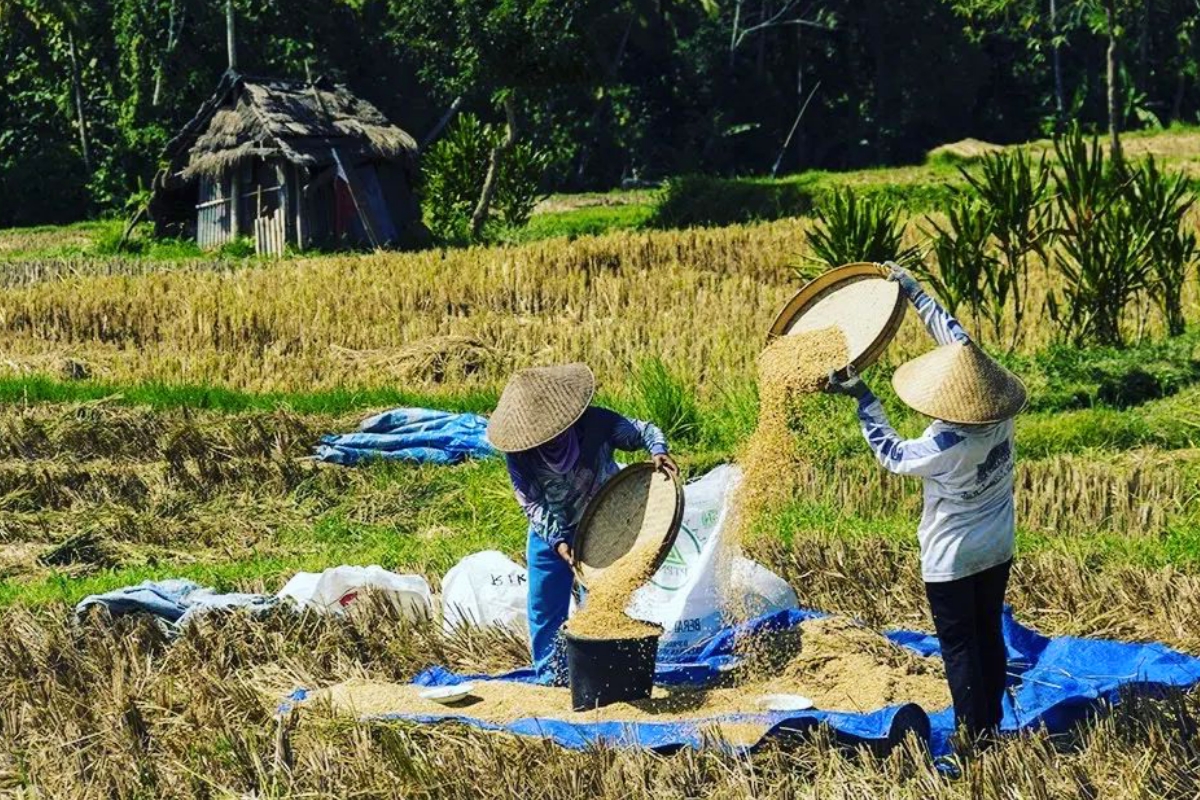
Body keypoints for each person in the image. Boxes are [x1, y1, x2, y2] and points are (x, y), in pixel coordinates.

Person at [825, 263, 1027, 747]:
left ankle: (972, 737)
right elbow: (956, 340)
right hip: (997, 545)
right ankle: (990, 723)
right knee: (988, 635)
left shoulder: (946, 446)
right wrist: (915, 292)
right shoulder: (998, 416)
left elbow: (893, 454)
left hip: (953, 559)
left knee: (959, 647)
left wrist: (861, 395)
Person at [487, 363, 679, 685]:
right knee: (545, 608)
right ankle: (552, 679)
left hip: (605, 525)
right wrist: (559, 541)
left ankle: (603, 677)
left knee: (601, 605)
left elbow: (642, 430)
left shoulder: (596, 423)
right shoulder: (520, 454)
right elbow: (532, 503)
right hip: (551, 532)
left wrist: (658, 450)